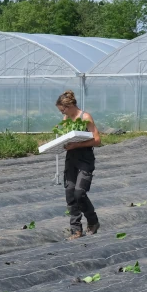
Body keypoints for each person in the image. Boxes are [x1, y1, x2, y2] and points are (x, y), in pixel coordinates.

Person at [55, 90, 102, 239]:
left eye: (62, 110)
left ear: (69, 106)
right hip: (71, 159)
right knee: (70, 192)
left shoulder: (85, 117)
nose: (62, 113)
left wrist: (76, 145)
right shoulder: (66, 119)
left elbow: (97, 140)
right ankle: (76, 230)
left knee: (79, 193)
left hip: (85, 159)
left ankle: (93, 221)